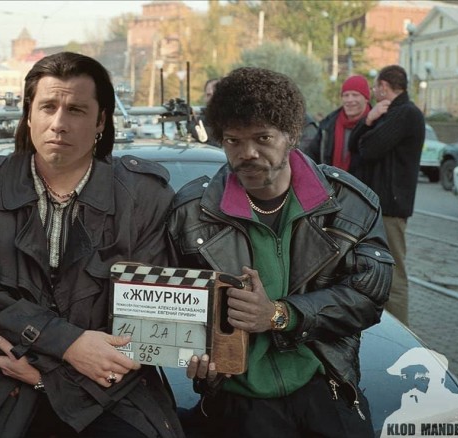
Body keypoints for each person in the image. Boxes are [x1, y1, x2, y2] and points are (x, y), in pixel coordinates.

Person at [0, 52, 184, 438]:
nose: (59, 124)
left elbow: (149, 324)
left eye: (76, 110)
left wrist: (44, 376)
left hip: (112, 392)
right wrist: (69, 344)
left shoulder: (146, 199)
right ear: (29, 114)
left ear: (101, 121)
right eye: (48, 107)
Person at [166, 67, 394, 437]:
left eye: (263, 138)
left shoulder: (350, 202)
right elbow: (172, 310)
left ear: (291, 135)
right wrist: (195, 356)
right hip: (236, 399)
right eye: (233, 141)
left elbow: (369, 297)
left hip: (326, 387)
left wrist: (278, 314)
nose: (248, 153)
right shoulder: (191, 212)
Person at [348, 65, 425, 327]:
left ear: (383, 86)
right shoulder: (389, 112)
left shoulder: (405, 113)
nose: (373, 91)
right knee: (377, 270)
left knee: (394, 273)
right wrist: (368, 120)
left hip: (391, 207)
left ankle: (401, 332)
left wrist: (370, 125)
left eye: (375, 86)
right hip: (380, 205)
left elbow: (368, 149)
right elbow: (354, 146)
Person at [302, 74, 371, 171]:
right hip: (331, 180)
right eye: (346, 95)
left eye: (355, 95)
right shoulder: (327, 125)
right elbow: (312, 156)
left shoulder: (376, 125)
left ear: (366, 98)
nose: (350, 100)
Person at [189, 78, 220, 145]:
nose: (212, 99)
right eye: (209, 95)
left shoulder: (234, 121)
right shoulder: (199, 120)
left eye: (216, 94)